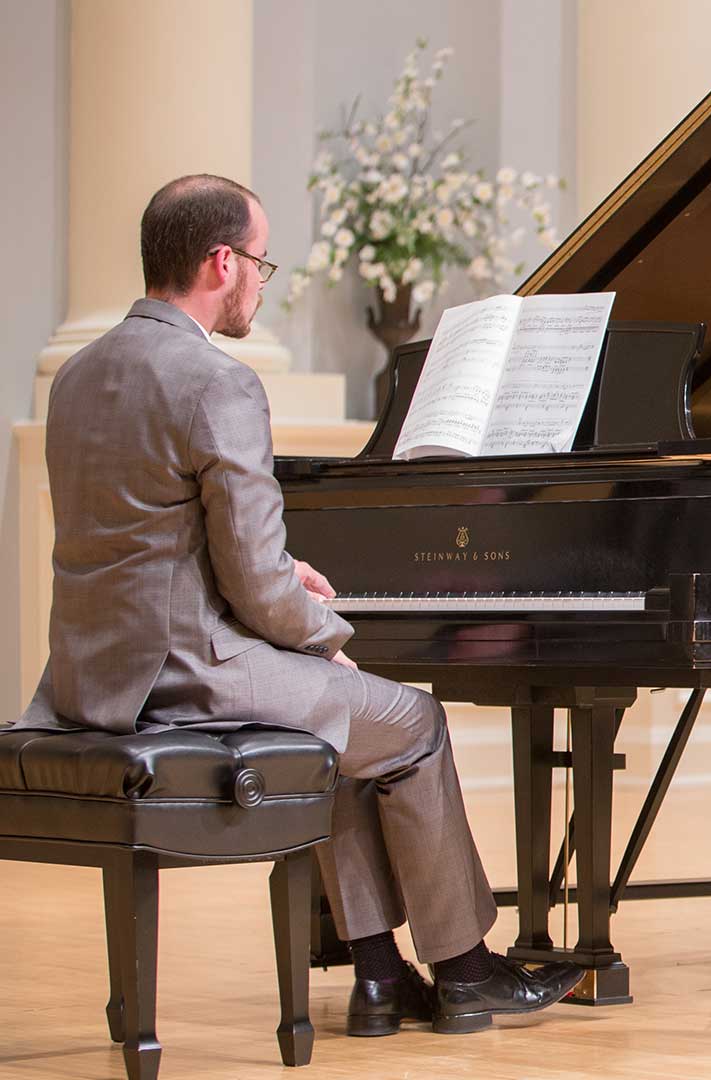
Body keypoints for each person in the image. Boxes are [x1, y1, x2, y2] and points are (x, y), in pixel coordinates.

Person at [11, 174, 581, 1037]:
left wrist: (282, 582)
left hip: (91, 680)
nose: (263, 284)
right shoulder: (218, 382)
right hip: (192, 678)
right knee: (410, 722)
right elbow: (254, 586)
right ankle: (466, 971)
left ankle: (382, 980)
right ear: (221, 261)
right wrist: (326, 638)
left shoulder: (81, 376)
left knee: (342, 737)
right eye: (262, 264)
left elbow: (152, 545)